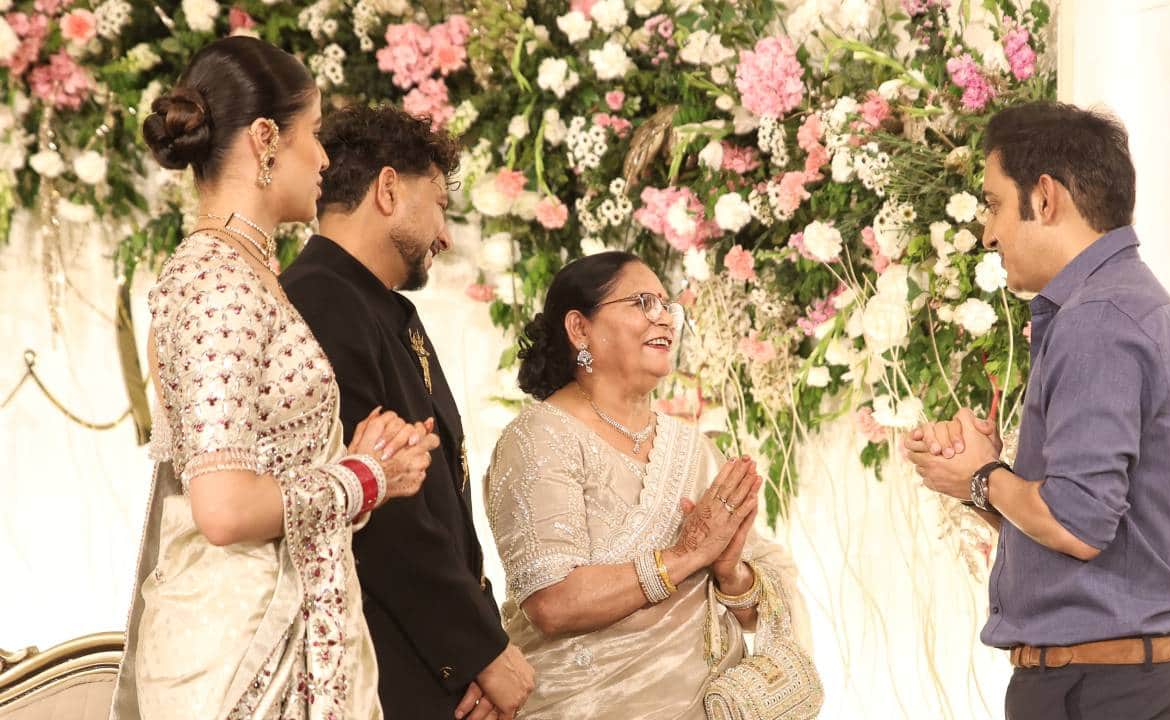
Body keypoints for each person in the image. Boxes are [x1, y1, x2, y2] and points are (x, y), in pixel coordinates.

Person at [110, 37, 435, 719]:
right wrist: (363, 477)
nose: (323, 157)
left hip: (280, 625)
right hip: (239, 654)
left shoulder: (245, 274)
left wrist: (355, 461)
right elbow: (223, 511)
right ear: (265, 139)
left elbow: (264, 466)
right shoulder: (217, 285)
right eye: (312, 134)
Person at [905, 101, 1170, 720]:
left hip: (1097, 688)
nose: (988, 233)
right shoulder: (1116, 305)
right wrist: (983, 480)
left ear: (1044, 198)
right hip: (1109, 679)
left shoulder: (1098, 318)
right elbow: (1093, 535)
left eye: (993, 204)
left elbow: (1076, 523)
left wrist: (982, 478)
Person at [280, 105, 533, 720]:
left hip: (427, 661)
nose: (445, 235)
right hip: (382, 662)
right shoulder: (321, 300)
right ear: (388, 189)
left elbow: (441, 501)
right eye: (441, 205)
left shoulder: (373, 304)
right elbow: (382, 516)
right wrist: (478, 653)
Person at [483, 252, 808, 719]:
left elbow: (757, 604)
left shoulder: (691, 447)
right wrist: (686, 555)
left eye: (666, 304)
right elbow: (552, 603)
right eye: (641, 302)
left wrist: (730, 571)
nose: (664, 318)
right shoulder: (539, 437)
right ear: (580, 328)